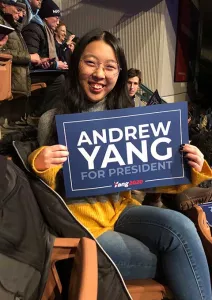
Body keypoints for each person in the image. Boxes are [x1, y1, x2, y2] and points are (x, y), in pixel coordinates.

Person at [27, 29, 212, 300]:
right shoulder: (52, 120)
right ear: (76, 62)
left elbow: (147, 177)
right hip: (85, 227)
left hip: (122, 212)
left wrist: (189, 165)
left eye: (109, 66)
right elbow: (50, 191)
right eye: (90, 62)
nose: (100, 74)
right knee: (182, 258)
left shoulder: (127, 116)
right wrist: (40, 163)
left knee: (181, 227)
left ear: (119, 72)